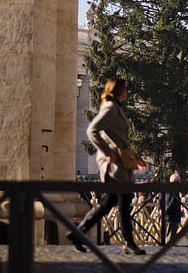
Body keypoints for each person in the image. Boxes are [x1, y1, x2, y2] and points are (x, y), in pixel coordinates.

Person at [68, 76, 146, 257]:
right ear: (119, 91)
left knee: (111, 202)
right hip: (114, 166)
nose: (127, 93)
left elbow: (119, 138)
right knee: (123, 202)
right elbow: (91, 130)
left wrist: (135, 157)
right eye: (125, 90)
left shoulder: (115, 108)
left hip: (120, 163)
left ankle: (78, 233)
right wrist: (107, 152)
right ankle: (129, 243)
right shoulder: (110, 108)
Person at [159, 172, 183, 243]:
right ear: (177, 181)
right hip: (173, 215)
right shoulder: (175, 190)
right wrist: (166, 211)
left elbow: (160, 199)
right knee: (170, 236)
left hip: (166, 215)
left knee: (165, 234)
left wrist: (160, 209)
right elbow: (173, 202)